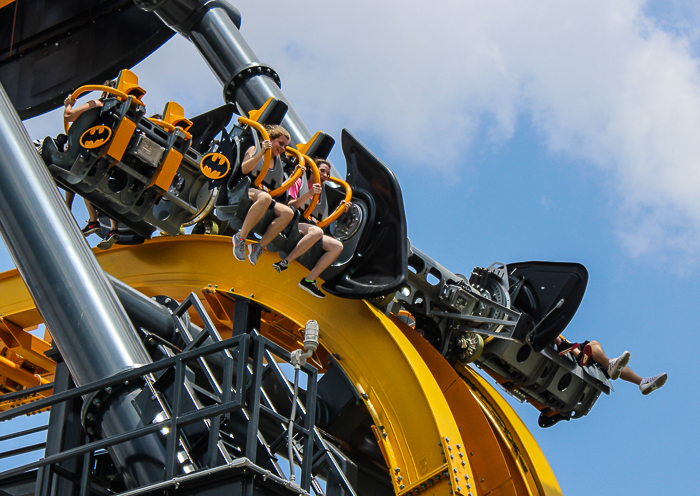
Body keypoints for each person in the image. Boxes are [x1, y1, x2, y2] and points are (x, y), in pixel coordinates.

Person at [271, 158, 345, 298]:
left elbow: (323, 221)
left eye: (327, 174)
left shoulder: (322, 195)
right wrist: (309, 194)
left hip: (310, 227)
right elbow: (291, 205)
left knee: (337, 246)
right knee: (316, 231)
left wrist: (340, 210)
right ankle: (286, 262)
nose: (324, 175)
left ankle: (309, 280)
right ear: (313, 169)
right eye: (322, 171)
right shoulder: (300, 182)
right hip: (293, 221)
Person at [63, 80, 120, 249]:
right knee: (94, 184)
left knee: (76, 170)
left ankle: (72, 209)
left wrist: (68, 105)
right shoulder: (121, 110)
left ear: (104, 92)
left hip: (90, 150)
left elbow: (69, 117)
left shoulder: (98, 103)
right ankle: (111, 227)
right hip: (109, 153)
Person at [232, 125, 294, 265]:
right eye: (281, 143)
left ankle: (258, 246)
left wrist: (294, 177)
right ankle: (240, 238)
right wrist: (261, 153)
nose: (283, 149)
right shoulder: (254, 150)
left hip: (265, 194)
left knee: (288, 212)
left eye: (285, 146)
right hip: (247, 189)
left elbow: (279, 187)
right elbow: (245, 168)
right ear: (270, 139)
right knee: (265, 198)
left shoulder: (278, 163)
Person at [555, 336, 667, 395]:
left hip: (587, 360)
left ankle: (642, 382)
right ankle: (609, 365)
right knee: (593, 344)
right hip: (579, 358)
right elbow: (561, 344)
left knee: (614, 363)